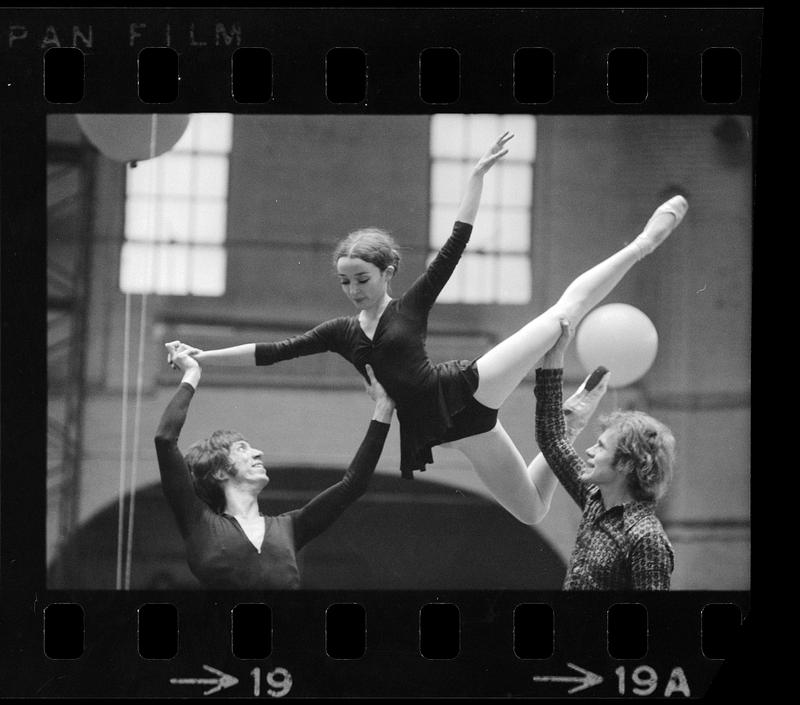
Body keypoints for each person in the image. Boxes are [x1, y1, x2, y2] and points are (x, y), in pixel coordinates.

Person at [168, 132, 688, 526]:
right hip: (451, 428)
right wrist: (202, 357)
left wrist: (475, 180)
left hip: (466, 385)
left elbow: (454, 246)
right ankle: (565, 426)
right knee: (532, 511)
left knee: (561, 315)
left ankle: (643, 242)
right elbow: (272, 351)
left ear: (387, 272)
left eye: (362, 279)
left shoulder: (409, 307)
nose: (352, 290)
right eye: (344, 281)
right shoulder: (341, 332)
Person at [155, 349, 395, 589]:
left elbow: (353, 484)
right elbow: (165, 439)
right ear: (219, 472)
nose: (257, 452)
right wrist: (192, 373)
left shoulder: (289, 528)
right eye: (242, 449)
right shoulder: (200, 523)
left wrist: (384, 406)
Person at [535, 319, 676, 590]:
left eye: (600, 446)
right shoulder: (595, 502)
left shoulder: (646, 536)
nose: (589, 450)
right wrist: (553, 358)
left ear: (625, 462)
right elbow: (552, 439)